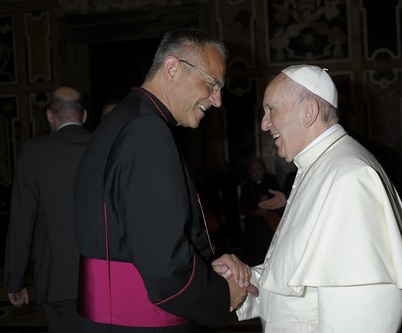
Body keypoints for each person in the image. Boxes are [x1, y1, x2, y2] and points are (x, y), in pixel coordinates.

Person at [73, 28, 255, 333]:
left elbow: (136, 240)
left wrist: (207, 270)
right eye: (212, 84)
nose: (218, 100)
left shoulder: (128, 118)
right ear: (172, 68)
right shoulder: (147, 130)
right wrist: (222, 294)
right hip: (144, 322)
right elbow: (165, 267)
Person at [236, 65, 402, 332]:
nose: (265, 123)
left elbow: (363, 320)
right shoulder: (320, 166)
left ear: (308, 111)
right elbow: (298, 288)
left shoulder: (349, 177)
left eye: (271, 110)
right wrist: (240, 282)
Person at [4, 86, 91, 332]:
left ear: (50, 116)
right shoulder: (105, 145)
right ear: (83, 115)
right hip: (105, 278)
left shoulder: (33, 152)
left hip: (57, 280)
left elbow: (21, 219)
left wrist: (14, 279)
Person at [239, 158, 282, 266]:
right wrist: (258, 204)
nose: (256, 173)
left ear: (263, 170)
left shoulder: (271, 182)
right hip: (253, 226)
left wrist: (268, 206)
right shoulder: (246, 186)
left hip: (270, 225)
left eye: (259, 170)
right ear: (250, 172)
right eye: (253, 170)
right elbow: (243, 206)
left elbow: (281, 202)